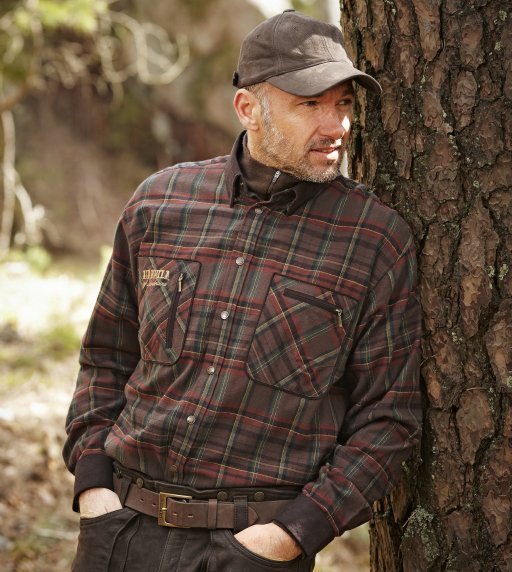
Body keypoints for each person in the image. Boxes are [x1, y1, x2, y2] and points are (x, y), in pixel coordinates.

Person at [63, 9, 422, 572]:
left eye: (344, 103)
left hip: (254, 549)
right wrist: (93, 487)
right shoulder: (160, 202)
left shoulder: (374, 239)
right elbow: (106, 356)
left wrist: (291, 534)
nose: (337, 126)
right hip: (121, 532)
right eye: (310, 104)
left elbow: (389, 418)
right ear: (248, 108)